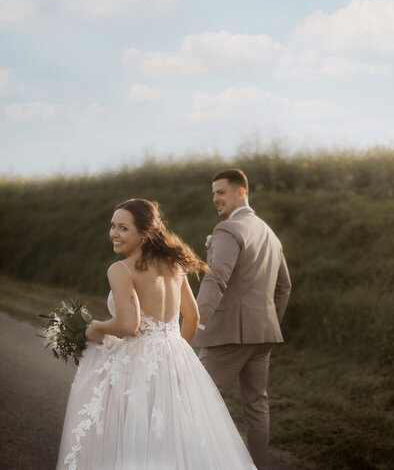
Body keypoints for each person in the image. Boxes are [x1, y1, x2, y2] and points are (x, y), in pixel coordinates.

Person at [56, 198, 256, 470]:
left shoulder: (121, 269)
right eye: (112, 226)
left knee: (133, 437)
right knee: (175, 436)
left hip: (137, 363)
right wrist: (178, 353)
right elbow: (193, 317)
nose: (114, 233)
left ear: (144, 233)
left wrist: (97, 327)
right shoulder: (175, 264)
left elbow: (129, 325)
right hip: (175, 356)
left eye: (123, 228)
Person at [195, 169, 292, 470]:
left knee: (197, 402)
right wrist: (267, 321)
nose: (215, 199)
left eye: (221, 192)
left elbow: (216, 280)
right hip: (263, 334)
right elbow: (284, 287)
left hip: (227, 335)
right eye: (213, 193)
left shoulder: (228, 230)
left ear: (241, 192)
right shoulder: (269, 234)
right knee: (256, 405)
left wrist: (195, 322)